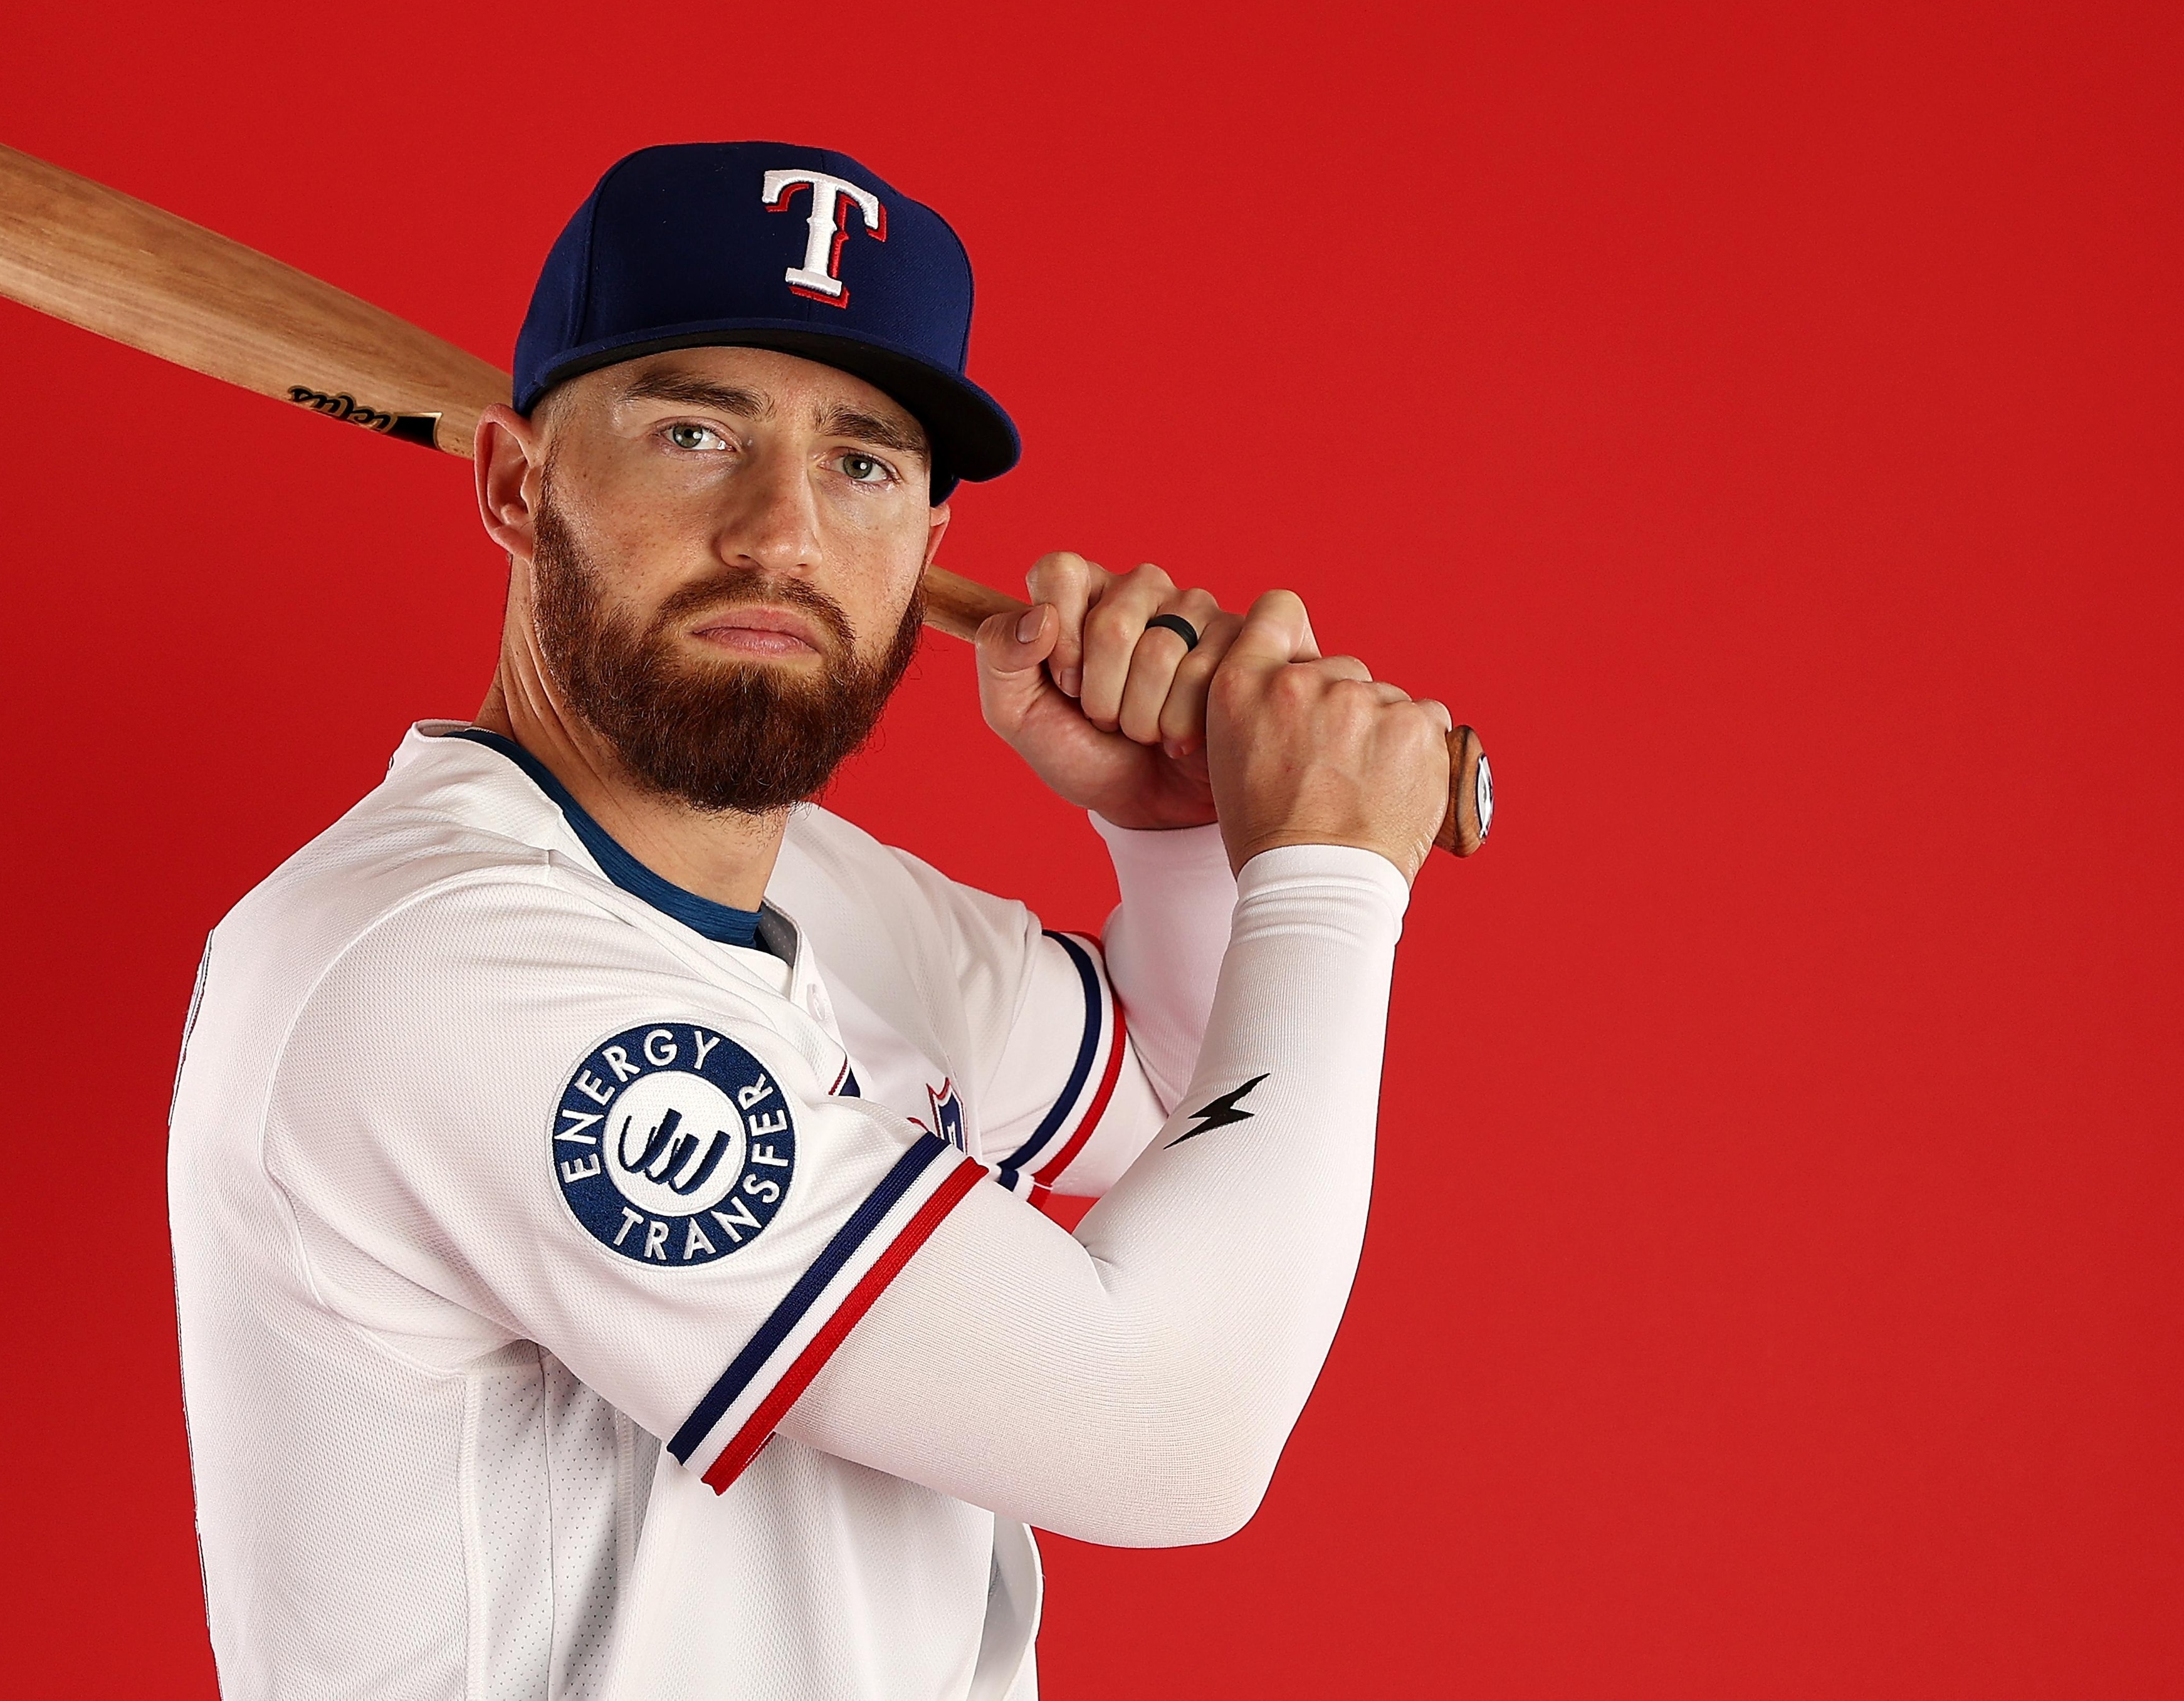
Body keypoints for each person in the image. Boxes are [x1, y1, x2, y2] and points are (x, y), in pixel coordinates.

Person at [167, 142, 1453, 1700]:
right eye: (695, 431)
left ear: (922, 542)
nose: (781, 534)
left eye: (862, 463)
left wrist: (1181, 841)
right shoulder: (433, 967)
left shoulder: (807, 883)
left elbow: (1192, 1118)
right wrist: (1324, 871)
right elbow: (1169, 1434)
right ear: (518, 485)